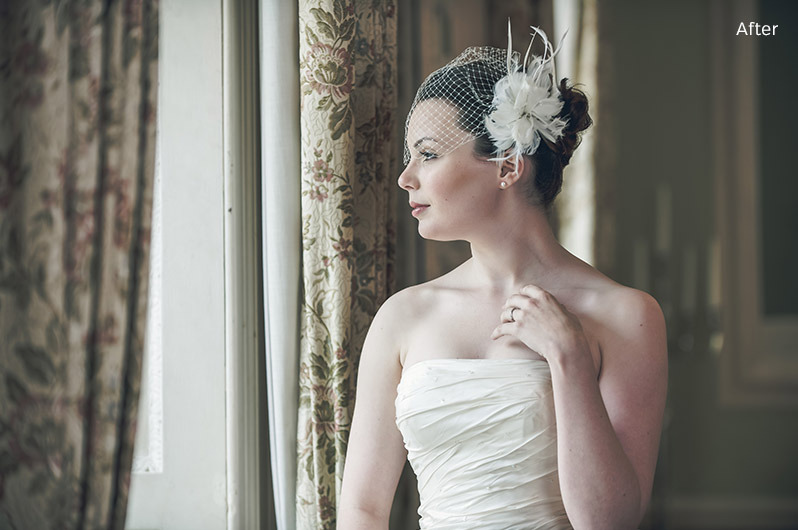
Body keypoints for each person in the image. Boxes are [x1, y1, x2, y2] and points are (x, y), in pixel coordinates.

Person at [337, 25, 668, 530]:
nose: (405, 177)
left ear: (508, 165)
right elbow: (361, 508)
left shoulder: (627, 315)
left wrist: (569, 357)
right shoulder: (403, 317)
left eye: (428, 154)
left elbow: (609, 523)